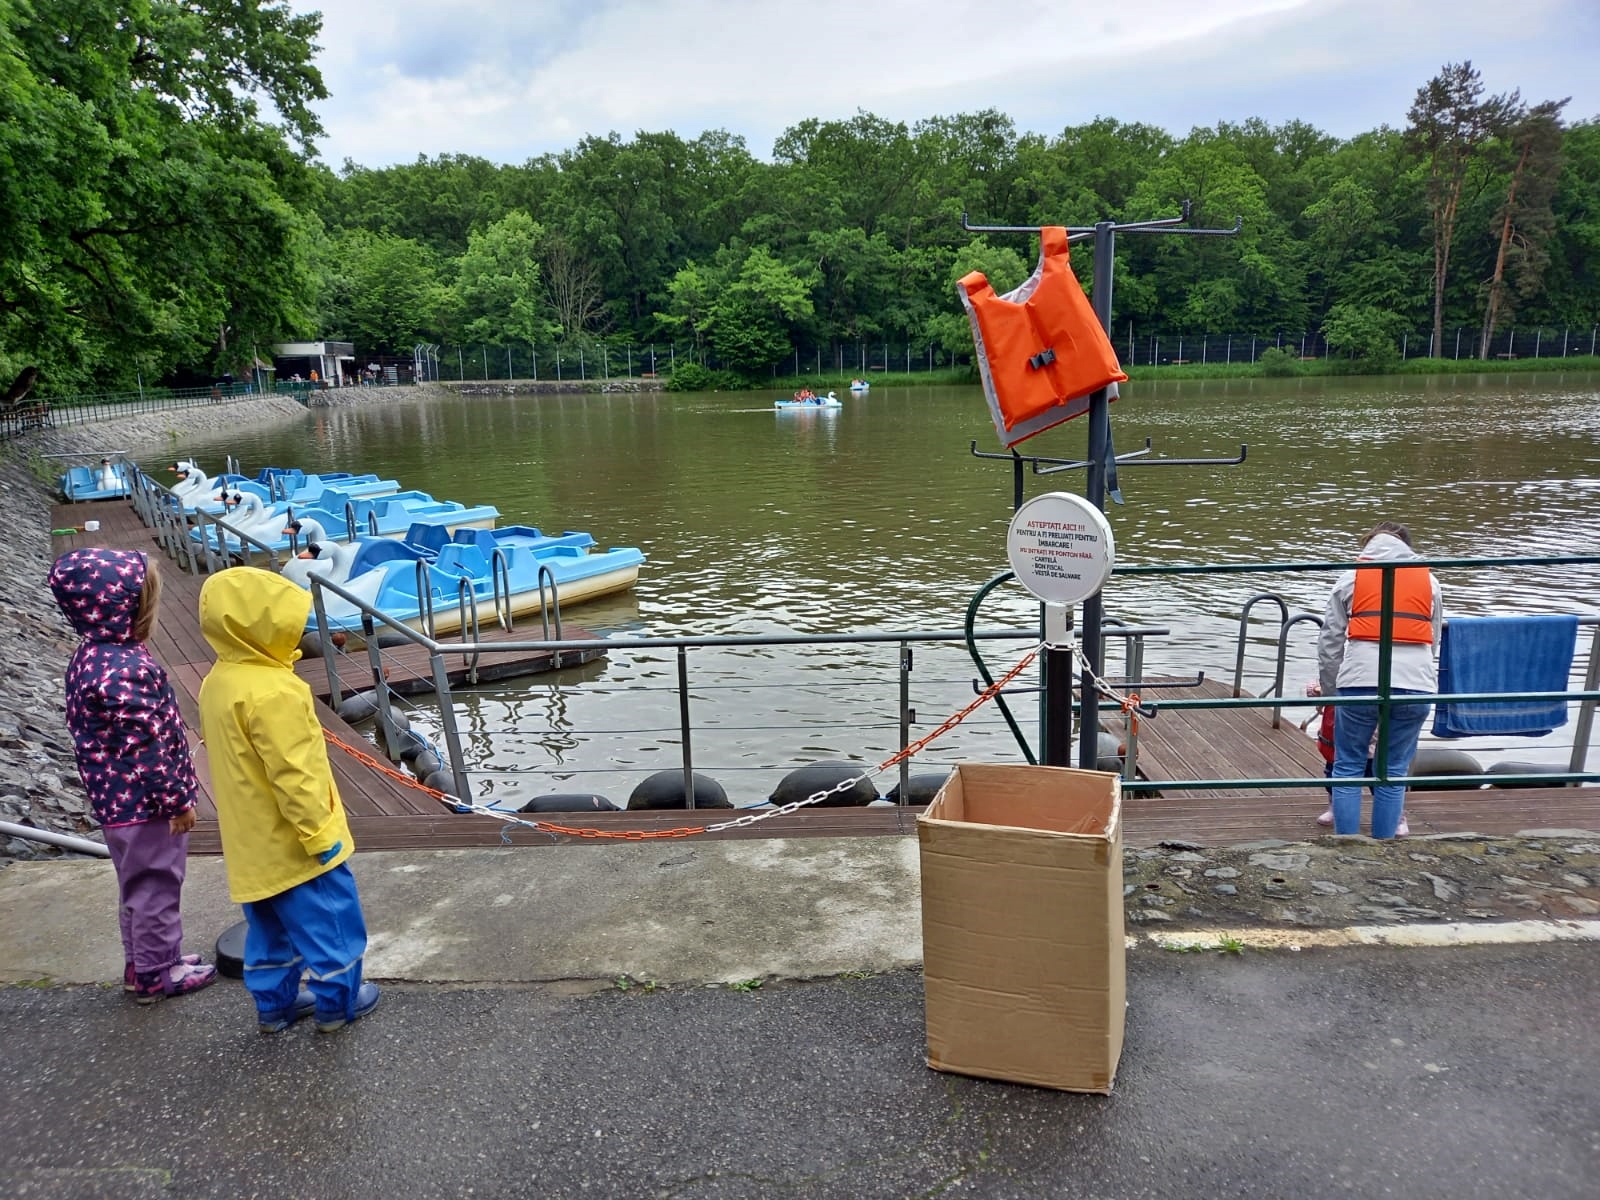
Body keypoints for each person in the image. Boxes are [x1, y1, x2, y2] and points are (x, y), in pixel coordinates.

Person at [196, 566, 379, 1034]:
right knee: (333, 926)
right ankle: (338, 1005)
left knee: (269, 933)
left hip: (251, 848)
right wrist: (320, 833)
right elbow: (296, 775)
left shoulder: (220, 680)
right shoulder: (276, 691)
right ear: (266, 628)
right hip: (298, 845)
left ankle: (273, 1008)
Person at [46, 549, 218, 1003]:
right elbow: (149, 747)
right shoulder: (127, 669)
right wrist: (180, 800)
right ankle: (159, 974)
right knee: (158, 884)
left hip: (115, 802)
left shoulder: (92, 656)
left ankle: (143, 963)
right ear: (125, 606)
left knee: (138, 885)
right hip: (144, 805)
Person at [1315, 522, 1442, 839]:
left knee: (1347, 766)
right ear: (1409, 548)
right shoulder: (1430, 582)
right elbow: (1433, 639)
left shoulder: (1350, 579)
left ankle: (1348, 844)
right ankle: (1383, 847)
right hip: (1416, 684)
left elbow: (1330, 642)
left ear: (1367, 547)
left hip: (1359, 681)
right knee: (1394, 770)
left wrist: (1331, 692)